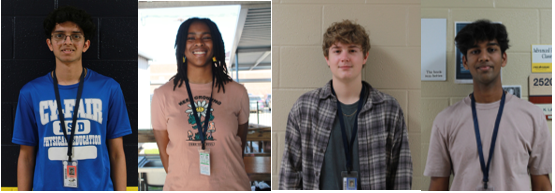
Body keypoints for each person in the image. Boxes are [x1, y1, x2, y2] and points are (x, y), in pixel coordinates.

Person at [279, 20, 412, 190]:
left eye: (352, 50)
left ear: (365, 57)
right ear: (327, 58)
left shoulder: (388, 109)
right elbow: (290, 173)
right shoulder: (304, 109)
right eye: (337, 51)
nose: (344, 57)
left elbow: (401, 172)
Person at [12, 6, 132, 191]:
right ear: (50, 43)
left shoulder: (109, 88)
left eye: (75, 36)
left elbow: (117, 153)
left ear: (86, 44)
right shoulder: (30, 92)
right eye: (59, 35)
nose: (67, 41)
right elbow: (26, 156)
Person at [424, 20, 552, 191]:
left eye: (491, 50)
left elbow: (542, 183)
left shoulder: (532, 116)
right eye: (475, 51)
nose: (484, 57)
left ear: (503, 58)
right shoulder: (445, 120)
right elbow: (437, 185)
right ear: (465, 62)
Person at [151, 17, 251, 191]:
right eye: (191, 38)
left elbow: (238, 148)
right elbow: (165, 154)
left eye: (206, 37)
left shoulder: (238, 92)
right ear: (182, 46)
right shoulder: (162, 95)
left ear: (216, 44)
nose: (199, 43)